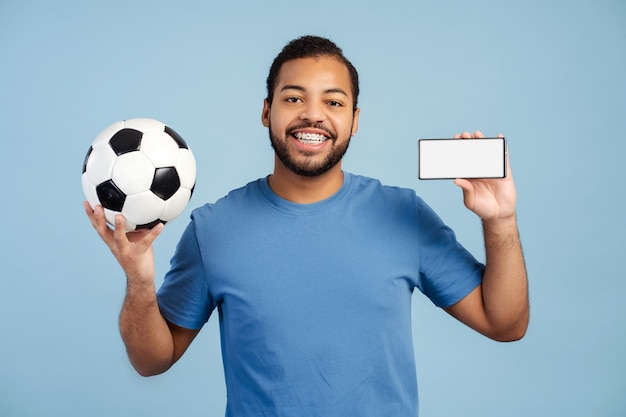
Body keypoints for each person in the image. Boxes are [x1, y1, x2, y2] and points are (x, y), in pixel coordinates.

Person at [84, 35, 529, 416]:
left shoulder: (404, 215)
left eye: (333, 102)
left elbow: (504, 323)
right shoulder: (212, 229)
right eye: (294, 97)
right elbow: (150, 361)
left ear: (354, 121)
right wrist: (139, 280)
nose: (313, 115)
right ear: (266, 111)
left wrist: (500, 221)